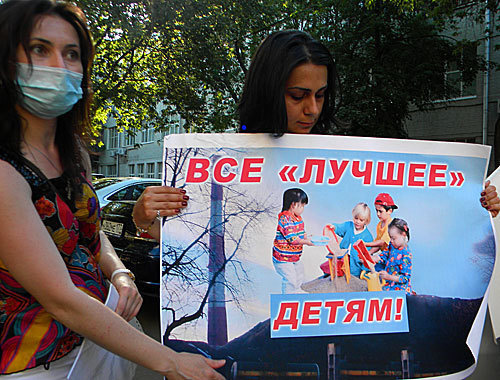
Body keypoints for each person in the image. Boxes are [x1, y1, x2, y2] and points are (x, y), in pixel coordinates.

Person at [0, 1, 224, 379]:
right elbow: (61, 299)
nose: (60, 65)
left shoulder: (75, 154)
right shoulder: (5, 172)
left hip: (104, 340)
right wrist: (171, 362)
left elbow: (88, 232)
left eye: (72, 54)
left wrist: (120, 274)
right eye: (40, 49)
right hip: (39, 362)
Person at [132, 29, 500, 238]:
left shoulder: (346, 155)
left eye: (321, 96)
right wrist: (143, 215)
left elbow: (418, 201)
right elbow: (180, 252)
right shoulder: (220, 164)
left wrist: (477, 202)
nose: (312, 109)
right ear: (267, 90)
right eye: (297, 96)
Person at [273, 188, 314, 293]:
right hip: (282, 258)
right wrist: (306, 242)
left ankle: (297, 290)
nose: (303, 209)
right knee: (290, 278)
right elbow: (293, 239)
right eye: (302, 206)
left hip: (293, 256)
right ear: (293, 204)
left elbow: (301, 233)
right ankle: (288, 296)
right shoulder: (285, 219)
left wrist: (307, 237)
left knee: (299, 272)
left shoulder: (298, 218)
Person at [320, 202, 374, 277]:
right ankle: (331, 275)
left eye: (361, 220)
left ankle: (341, 274)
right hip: (342, 257)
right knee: (327, 266)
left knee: (346, 272)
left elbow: (367, 256)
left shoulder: (367, 236)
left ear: (366, 221)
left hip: (354, 265)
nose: (357, 222)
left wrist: (365, 271)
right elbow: (339, 227)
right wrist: (334, 227)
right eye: (356, 218)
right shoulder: (349, 225)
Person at [372, 218, 412, 294]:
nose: (391, 240)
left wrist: (389, 277)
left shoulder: (406, 254)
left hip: (400, 292)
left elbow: (405, 278)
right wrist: (374, 258)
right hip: (388, 287)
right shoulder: (391, 245)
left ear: (403, 235)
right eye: (390, 238)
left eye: (393, 238)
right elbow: (383, 256)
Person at [365, 193, 397, 257]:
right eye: (376, 211)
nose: (378, 214)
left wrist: (366, 244)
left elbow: (382, 242)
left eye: (380, 211)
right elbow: (378, 245)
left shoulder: (391, 225)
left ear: (389, 211)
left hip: (393, 257)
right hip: (385, 255)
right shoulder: (379, 225)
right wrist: (369, 253)